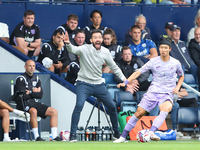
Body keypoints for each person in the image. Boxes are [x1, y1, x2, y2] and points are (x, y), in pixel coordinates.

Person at [113, 37, 184, 143]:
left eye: (165, 48)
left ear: (169, 49)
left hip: (167, 93)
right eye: (161, 48)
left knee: (165, 110)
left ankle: (151, 132)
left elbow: (181, 76)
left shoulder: (176, 63)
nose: (163, 50)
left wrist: (177, 87)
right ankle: (123, 137)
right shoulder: (153, 61)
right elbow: (138, 73)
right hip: (153, 92)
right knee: (138, 114)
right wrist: (126, 82)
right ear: (159, 49)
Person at [63, 29, 126, 142]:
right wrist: (68, 43)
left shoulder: (106, 52)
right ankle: (73, 135)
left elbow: (114, 67)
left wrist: (124, 79)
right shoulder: (84, 48)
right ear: (91, 40)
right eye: (95, 37)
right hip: (83, 83)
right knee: (79, 105)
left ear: (101, 40)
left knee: (112, 106)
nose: (97, 39)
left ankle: (117, 133)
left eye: (99, 37)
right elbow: (73, 49)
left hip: (98, 84)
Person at [14, 60, 61, 141]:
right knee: (34, 111)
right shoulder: (20, 78)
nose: (32, 68)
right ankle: (36, 137)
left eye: (33, 66)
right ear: (25, 67)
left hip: (33, 102)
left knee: (54, 112)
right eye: (30, 66)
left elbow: (40, 95)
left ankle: (54, 136)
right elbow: (21, 94)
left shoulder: (37, 78)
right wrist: (33, 91)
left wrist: (29, 91)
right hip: (22, 104)